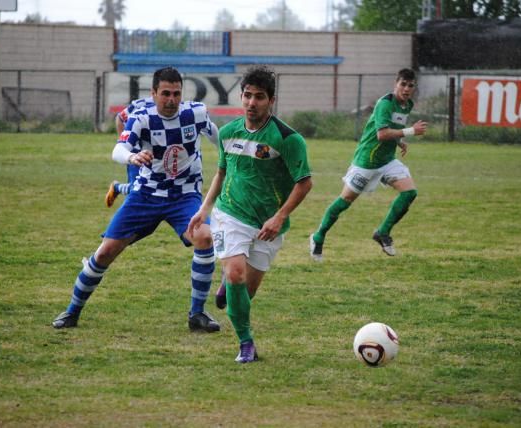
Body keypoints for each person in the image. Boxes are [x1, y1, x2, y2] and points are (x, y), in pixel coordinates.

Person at [52, 66, 221, 333]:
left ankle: (197, 314)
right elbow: (118, 148)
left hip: (185, 195)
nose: (171, 99)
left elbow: (220, 139)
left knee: (204, 236)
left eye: (176, 93)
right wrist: (132, 157)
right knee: (106, 251)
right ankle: (72, 311)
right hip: (146, 195)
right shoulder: (142, 118)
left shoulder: (196, 113)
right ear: (153, 93)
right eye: (165, 93)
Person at [188, 65, 313, 363]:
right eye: (247, 95)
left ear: (271, 100)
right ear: (241, 97)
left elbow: (305, 183)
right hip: (230, 214)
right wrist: (205, 209)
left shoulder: (288, 139)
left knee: (246, 290)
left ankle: (230, 291)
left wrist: (280, 217)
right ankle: (246, 343)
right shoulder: (228, 132)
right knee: (235, 274)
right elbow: (221, 172)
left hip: (268, 225)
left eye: (259, 97)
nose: (251, 102)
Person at [309, 68, 427, 261]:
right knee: (345, 200)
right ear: (395, 84)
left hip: (387, 160)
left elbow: (393, 127)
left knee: (409, 192)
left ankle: (382, 232)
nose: (406, 89)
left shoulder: (407, 105)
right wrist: (410, 132)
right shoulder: (385, 103)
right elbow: (381, 134)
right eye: (403, 84)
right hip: (368, 161)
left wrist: (399, 141)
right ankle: (318, 236)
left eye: (410, 85)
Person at [104, 97, 153, 207]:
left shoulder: (174, 106)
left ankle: (117, 188)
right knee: (135, 189)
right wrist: (124, 144)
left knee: (147, 186)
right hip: (135, 152)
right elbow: (120, 118)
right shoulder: (142, 104)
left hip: (155, 154)